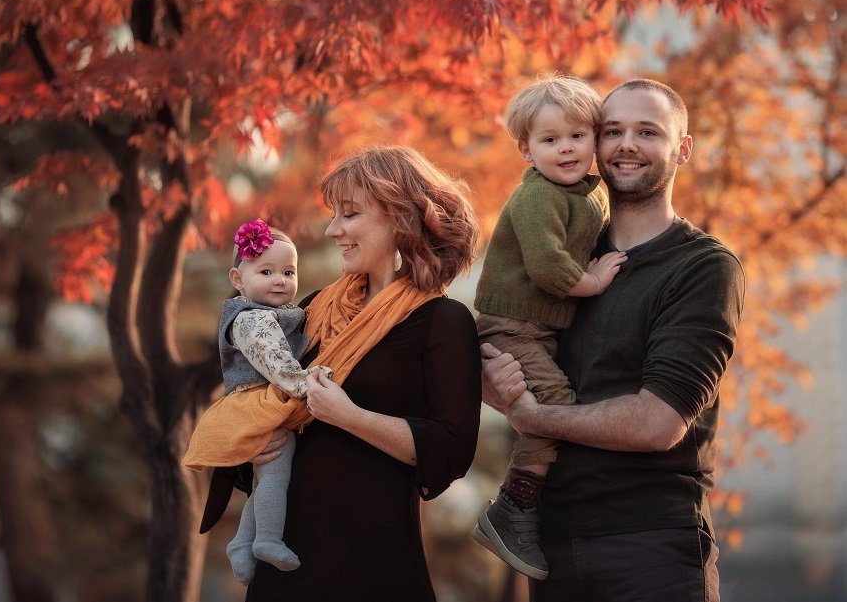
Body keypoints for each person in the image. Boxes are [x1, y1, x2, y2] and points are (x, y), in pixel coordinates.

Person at [482, 78, 745, 602]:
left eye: (648, 131)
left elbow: (656, 423)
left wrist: (533, 416)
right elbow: (507, 336)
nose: (626, 144)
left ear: (681, 149)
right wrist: (490, 380)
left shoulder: (703, 267)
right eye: (613, 130)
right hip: (550, 543)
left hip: (651, 543)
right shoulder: (559, 255)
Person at [198, 145, 483, 602]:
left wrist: (349, 416)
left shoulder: (443, 321)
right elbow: (254, 386)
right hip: (284, 560)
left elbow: (451, 449)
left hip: (372, 562)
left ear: (399, 217)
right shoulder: (310, 308)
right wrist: (257, 435)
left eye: (349, 214)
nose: (333, 230)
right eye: (334, 215)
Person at [471, 73, 627, 580]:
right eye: (549, 139)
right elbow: (547, 267)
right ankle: (513, 507)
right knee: (553, 407)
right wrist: (595, 282)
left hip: (538, 328)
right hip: (511, 326)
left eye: (577, 136)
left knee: (553, 401)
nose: (566, 149)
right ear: (526, 149)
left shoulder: (589, 194)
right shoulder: (538, 196)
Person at [182, 219, 332, 584]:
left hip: (261, 399)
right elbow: (277, 363)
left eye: (288, 271)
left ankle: (242, 541)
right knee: (276, 476)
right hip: (257, 402)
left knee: (270, 476)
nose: (280, 280)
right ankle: (266, 539)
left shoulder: (271, 312)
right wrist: (309, 382)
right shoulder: (252, 319)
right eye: (266, 271)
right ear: (238, 279)